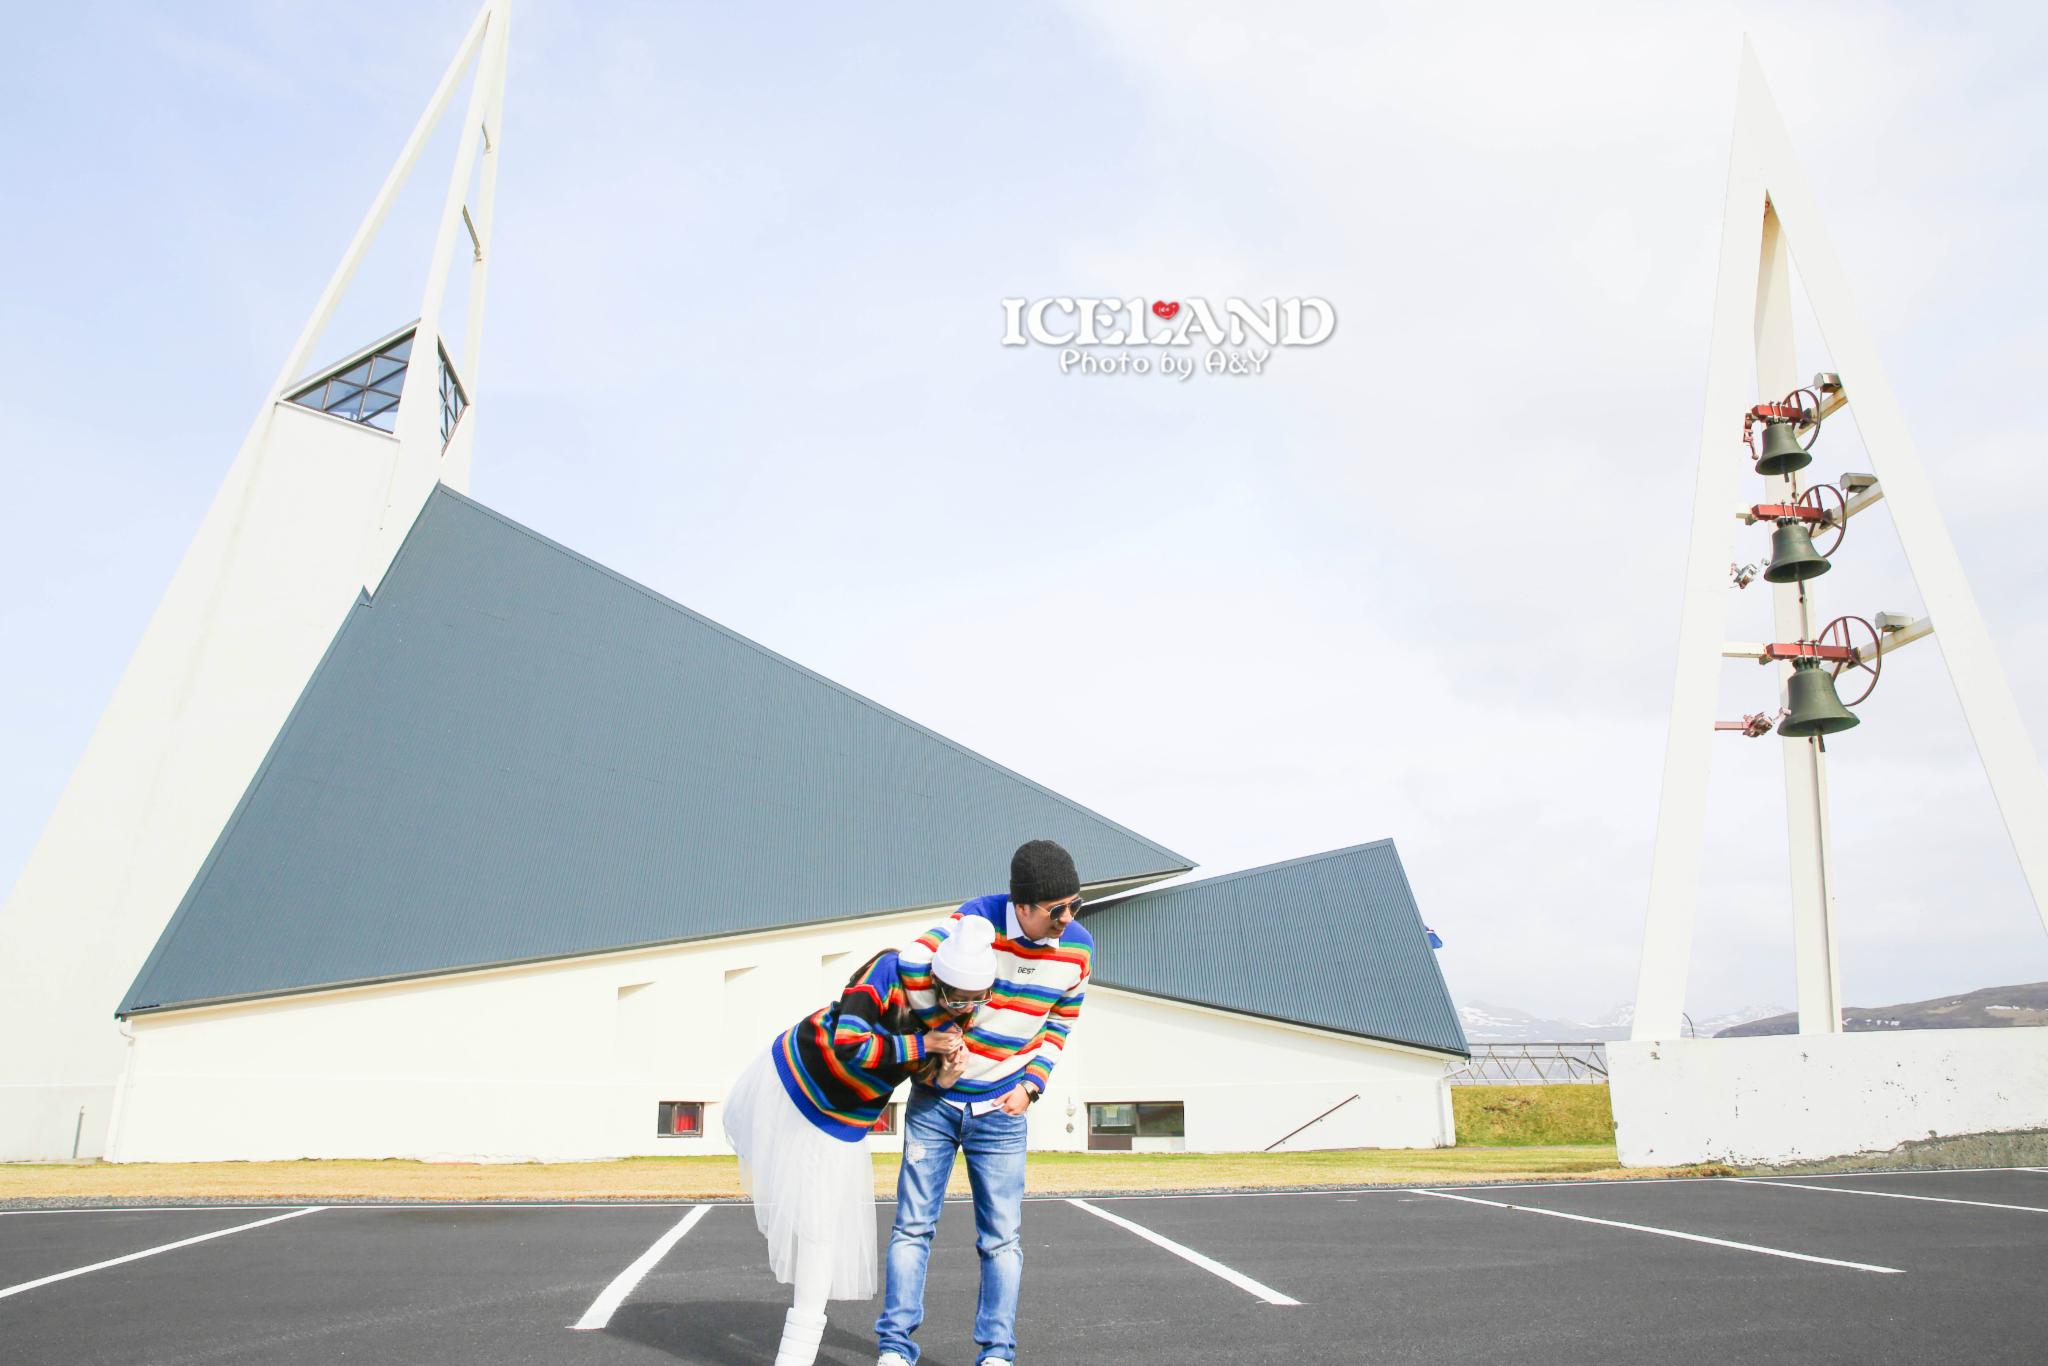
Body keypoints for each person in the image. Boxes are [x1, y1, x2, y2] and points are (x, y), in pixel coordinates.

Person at [725, 913, 1001, 1366]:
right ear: (939, 978)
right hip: (797, 1075)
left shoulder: (957, 1020)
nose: (966, 1007)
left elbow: (923, 1076)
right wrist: (926, 1045)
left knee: (819, 1230)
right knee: (791, 1201)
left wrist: (948, 1073)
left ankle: (794, 1356)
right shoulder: (889, 968)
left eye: (978, 998)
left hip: (845, 1118)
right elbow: (850, 1042)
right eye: (959, 997)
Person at [876, 839, 1093, 1366]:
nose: (1068, 918)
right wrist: (943, 1034)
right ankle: (895, 1348)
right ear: (1022, 905)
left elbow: (1062, 1021)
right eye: (1057, 909)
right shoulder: (975, 919)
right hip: (935, 1103)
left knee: (1001, 1240)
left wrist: (1032, 1086)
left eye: (1075, 904)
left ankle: (997, 1353)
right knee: (912, 1228)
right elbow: (912, 960)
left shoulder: (1079, 948)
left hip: (1003, 1109)